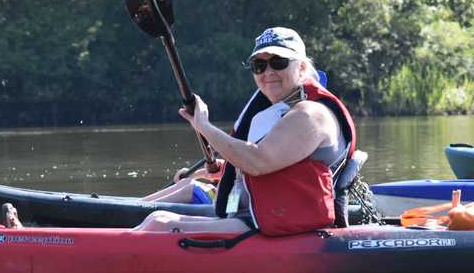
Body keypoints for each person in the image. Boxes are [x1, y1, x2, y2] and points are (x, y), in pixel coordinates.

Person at [133, 27, 357, 235]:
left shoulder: (310, 114)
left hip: (279, 229)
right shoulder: (281, 113)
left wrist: (204, 127)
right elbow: (273, 164)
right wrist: (225, 168)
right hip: (255, 217)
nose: (268, 72)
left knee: (159, 225)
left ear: (302, 68)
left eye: (278, 62)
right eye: (259, 66)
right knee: (158, 217)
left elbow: (258, 161)